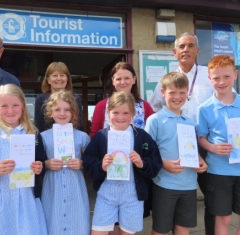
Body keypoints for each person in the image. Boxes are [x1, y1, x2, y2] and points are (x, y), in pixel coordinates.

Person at [149, 32, 215, 235]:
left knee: (211, 200)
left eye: (190, 46)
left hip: (205, 144)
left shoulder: (208, 75)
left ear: (197, 50)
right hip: (173, 149)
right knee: (164, 218)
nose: (186, 49)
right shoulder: (166, 81)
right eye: (182, 46)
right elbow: (154, 107)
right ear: (175, 51)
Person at [83, 91, 162, 235]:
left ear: (132, 113)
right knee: (97, 232)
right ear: (108, 112)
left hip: (132, 196)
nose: (120, 117)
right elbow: (88, 161)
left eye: (125, 113)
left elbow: (156, 162)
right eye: (115, 112)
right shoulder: (101, 136)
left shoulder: (142, 137)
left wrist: (142, 164)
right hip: (106, 195)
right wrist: (101, 166)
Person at [0, 84, 47, 235]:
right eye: (4, 106)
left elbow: (41, 161)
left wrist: (39, 168)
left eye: (15, 105)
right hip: (0, 197)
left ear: (23, 105)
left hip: (27, 197)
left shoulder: (32, 133)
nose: (10, 110)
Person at [145, 72, 208, 235]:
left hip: (189, 184)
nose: (177, 97)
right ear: (163, 92)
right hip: (164, 184)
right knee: (160, 229)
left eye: (182, 92)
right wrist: (163, 163)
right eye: (172, 92)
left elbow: (192, 149)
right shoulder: (155, 120)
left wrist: (200, 161)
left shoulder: (190, 122)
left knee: (183, 227)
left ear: (187, 93)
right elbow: (147, 151)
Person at [196, 55, 240, 235]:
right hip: (218, 172)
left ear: (235, 75)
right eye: (216, 78)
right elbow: (201, 138)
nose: (221, 82)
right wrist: (213, 148)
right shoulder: (204, 108)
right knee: (224, 218)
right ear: (209, 79)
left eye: (226, 76)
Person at [40, 90, 90, 235]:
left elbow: (92, 161)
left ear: (73, 113)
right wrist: (47, 164)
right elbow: (36, 162)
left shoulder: (82, 137)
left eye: (67, 110)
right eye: (57, 109)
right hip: (52, 187)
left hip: (75, 185)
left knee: (77, 223)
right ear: (50, 112)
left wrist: (81, 163)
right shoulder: (42, 137)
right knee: (52, 221)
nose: (62, 113)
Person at [90, 62, 153, 138]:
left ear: (134, 79)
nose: (123, 82)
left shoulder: (145, 106)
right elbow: (95, 135)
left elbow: (152, 135)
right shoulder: (102, 105)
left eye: (127, 78)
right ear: (113, 81)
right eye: (118, 79)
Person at [34, 62, 84, 132]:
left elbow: (80, 125)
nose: (59, 78)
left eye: (62, 75)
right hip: (47, 141)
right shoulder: (40, 99)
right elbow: (39, 125)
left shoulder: (75, 98)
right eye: (55, 75)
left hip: (72, 140)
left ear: (67, 79)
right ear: (48, 80)